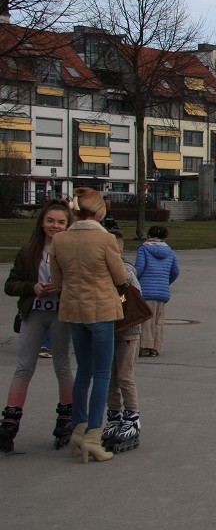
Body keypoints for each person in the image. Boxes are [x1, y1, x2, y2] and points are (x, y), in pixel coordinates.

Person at [50, 188, 128, 463]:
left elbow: (56, 281)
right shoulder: (104, 239)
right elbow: (120, 277)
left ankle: (79, 428)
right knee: (103, 374)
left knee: (83, 371)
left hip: (73, 311)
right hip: (101, 310)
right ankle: (95, 434)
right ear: (98, 212)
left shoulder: (59, 240)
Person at [0, 201, 74, 453]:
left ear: (68, 225)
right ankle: (10, 422)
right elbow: (11, 284)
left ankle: (66, 420)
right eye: (51, 221)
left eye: (61, 222)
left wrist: (62, 287)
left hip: (60, 316)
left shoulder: (71, 250)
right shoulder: (29, 250)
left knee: (62, 365)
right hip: (34, 313)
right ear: (42, 222)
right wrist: (32, 287)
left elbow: (82, 283)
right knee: (24, 367)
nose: (55, 226)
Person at [103, 229, 143, 453]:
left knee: (124, 375)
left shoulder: (126, 271)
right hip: (108, 329)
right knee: (110, 376)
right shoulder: (100, 269)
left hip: (128, 330)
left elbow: (136, 295)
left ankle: (132, 415)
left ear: (118, 249)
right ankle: (114, 414)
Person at [136, 226, 179, 357]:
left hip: (146, 289)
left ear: (149, 235)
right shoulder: (170, 251)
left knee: (145, 319)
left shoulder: (144, 249)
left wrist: (133, 281)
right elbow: (175, 271)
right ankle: (156, 346)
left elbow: (139, 268)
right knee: (158, 320)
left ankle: (145, 345)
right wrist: (166, 282)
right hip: (162, 290)